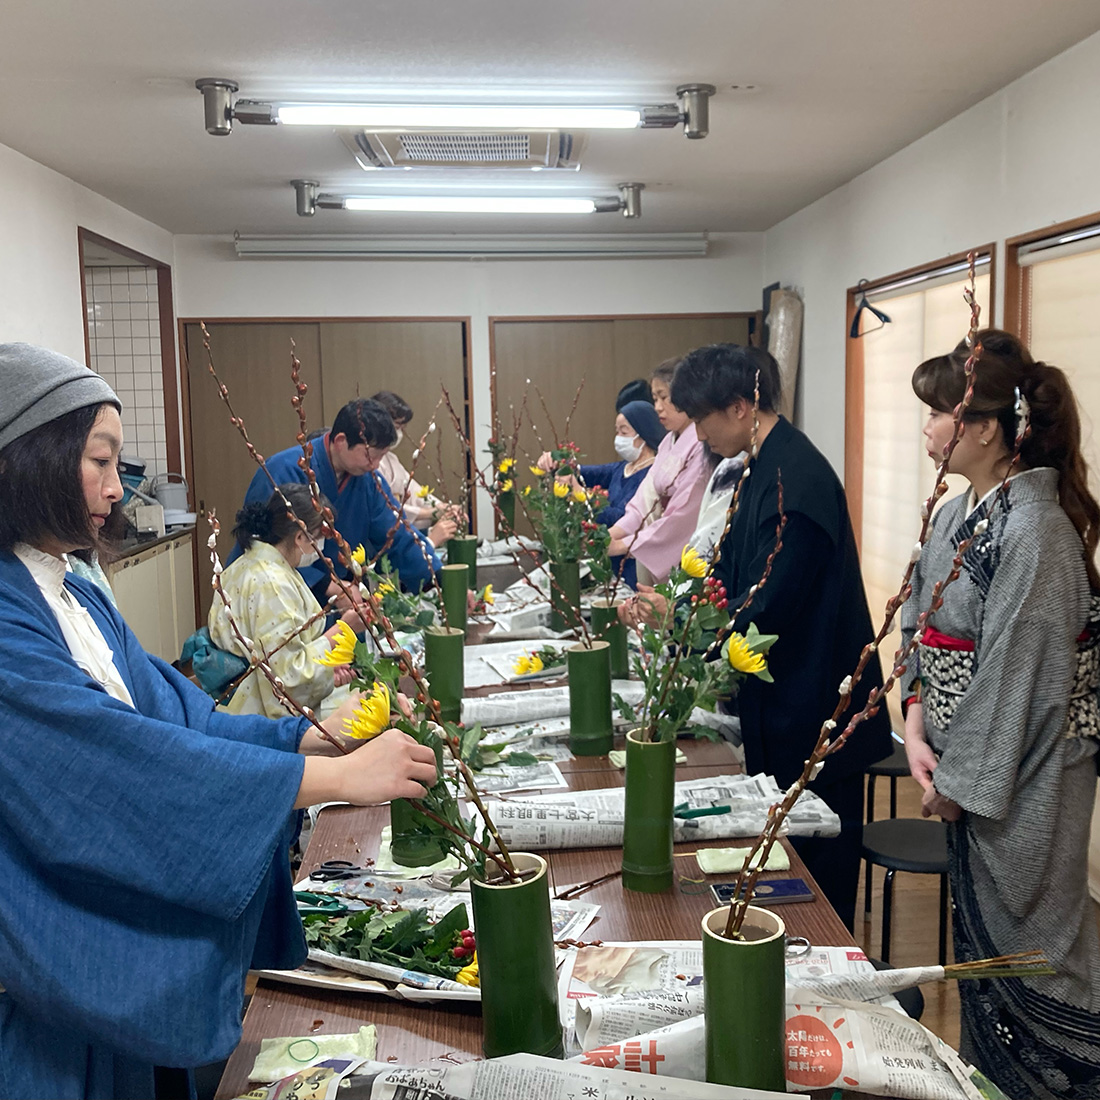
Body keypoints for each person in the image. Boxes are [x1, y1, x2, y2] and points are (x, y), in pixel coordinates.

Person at [0, 343, 439, 1100]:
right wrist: (326, 776)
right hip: (55, 953)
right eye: (99, 463)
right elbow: (111, 757)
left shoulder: (72, 583)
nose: (115, 489)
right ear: (30, 462)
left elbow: (176, 714)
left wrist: (306, 736)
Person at [900, 329, 1100, 1096]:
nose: (925, 429)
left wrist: (955, 780)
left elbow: (1019, 677)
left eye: (935, 415)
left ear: (983, 427)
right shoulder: (959, 516)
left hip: (1031, 775)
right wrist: (917, 724)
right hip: (963, 764)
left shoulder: (1037, 533)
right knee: (982, 952)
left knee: (1036, 944)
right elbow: (921, 622)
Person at [658, 342, 891, 929]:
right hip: (781, 705)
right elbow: (729, 574)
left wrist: (694, 640)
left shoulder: (796, 481)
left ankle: (825, 985)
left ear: (739, 407)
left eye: (703, 419)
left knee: (816, 875)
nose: (698, 434)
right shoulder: (757, 467)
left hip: (816, 709)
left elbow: (768, 604)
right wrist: (683, 615)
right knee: (783, 857)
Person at [235, 397, 440, 597]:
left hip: (338, 594)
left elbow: (396, 536)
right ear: (341, 441)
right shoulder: (282, 470)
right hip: (271, 594)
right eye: (371, 455)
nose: (376, 464)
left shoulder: (369, 480)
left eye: (381, 457)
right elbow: (262, 545)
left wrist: (438, 581)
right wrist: (327, 585)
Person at [209, 484, 369, 719]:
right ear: (301, 536)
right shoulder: (272, 583)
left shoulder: (246, 564)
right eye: (318, 537)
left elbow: (276, 657)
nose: (321, 547)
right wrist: (343, 630)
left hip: (243, 697)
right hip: (255, 715)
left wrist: (327, 671)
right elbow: (287, 678)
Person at [536, 400, 666, 588]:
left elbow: (626, 518)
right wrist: (556, 461)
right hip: (608, 562)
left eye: (624, 432)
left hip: (633, 567)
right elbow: (581, 473)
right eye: (617, 432)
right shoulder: (622, 468)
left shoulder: (653, 474)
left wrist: (583, 495)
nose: (619, 437)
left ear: (643, 434)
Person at [605, 359, 709, 584]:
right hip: (652, 536)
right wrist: (612, 534)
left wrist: (625, 544)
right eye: (655, 399)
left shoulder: (701, 445)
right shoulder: (668, 442)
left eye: (664, 397)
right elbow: (644, 499)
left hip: (683, 548)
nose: (658, 407)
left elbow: (682, 517)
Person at [370, 390, 459, 547]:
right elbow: (386, 507)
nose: (400, 433)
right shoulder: (367, 463)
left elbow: (415, 492)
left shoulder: (392, 460)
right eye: (397, 426)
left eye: (402, 428)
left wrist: (442, 507)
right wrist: (431, 513)